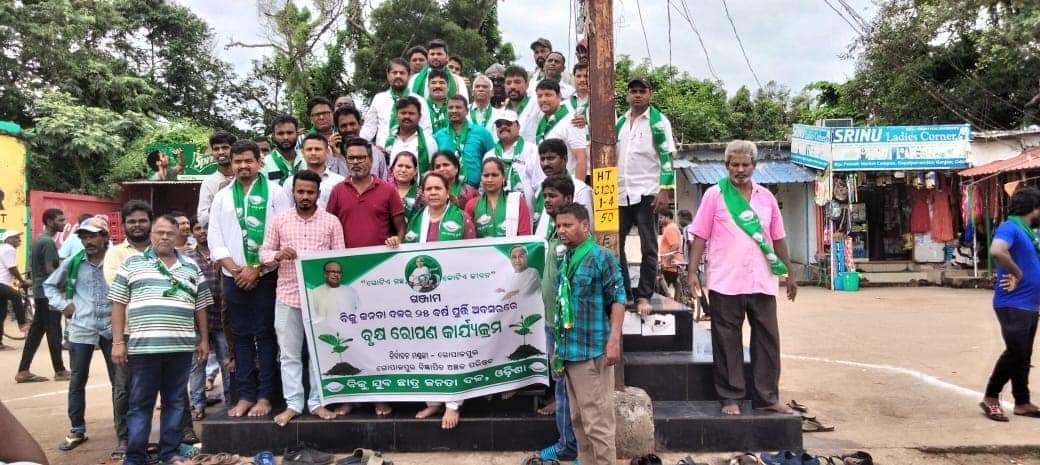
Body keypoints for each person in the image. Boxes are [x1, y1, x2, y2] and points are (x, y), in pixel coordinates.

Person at [687, 140, 797, 416]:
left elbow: (777, 237)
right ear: (726, 166)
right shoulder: (714, 195)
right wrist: (692, 271)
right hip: (726, 281)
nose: (740, 169)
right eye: (734, 164)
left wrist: (789, 272)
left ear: (754, 166)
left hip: (762, 280)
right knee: (727, 342)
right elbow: (700, 235)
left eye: (745, 164)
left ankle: (767, 397)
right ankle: (730, 397)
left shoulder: (766, 197)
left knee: (767, 341)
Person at [110, 215, 213, 465]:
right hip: (144, 348)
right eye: (159, 232)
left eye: (169, 233)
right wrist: (118, 342)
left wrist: (204, 340)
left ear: (177, 236)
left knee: (175, 402)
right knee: (140, 404)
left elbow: (200, 306)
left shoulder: (191, 266)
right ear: (151, 235)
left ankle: (169, 453)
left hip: (181, 347)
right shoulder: (132, 263)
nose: (164, 237)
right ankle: (135, 457)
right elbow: (118, 303)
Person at [209, 140, 292, 418]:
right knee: (240, 336)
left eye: (248, 161)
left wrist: (256, 267)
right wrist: (236, 270)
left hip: (266, 275)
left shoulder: (276, 193)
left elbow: (283, 234)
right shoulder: (222, 196)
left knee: (265, 335)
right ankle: (245, 395)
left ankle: (266, 396)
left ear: (259, 162)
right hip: (233, 277)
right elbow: (215, 238)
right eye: (238, 161)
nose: (243, 166)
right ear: (231, 164)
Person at [260, 170, 347, 426]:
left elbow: (340, 258)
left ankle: (317, 403)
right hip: (287, 296)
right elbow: (263, 253)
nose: (305, 196)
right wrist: (277, 255)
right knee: (289, 355)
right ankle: (294, 404)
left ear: (318, 194)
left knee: (320, 354)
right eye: (300, 191)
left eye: (310, 192)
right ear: (293, 192)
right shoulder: (280, 220)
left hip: (321, 298)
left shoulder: (331, 222)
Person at [552, 203, 625, 465]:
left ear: (585, 225)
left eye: (567, 225)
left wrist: (614, 341)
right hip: (570, 351)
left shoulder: (601, 256)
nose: (561, 230)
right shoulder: (566, 258)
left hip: (592, 351)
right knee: (579, 421)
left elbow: (618, 298)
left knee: (598, 423)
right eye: (558, 225)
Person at [406, 172, 476, 428]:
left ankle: (452, 404)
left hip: (453, 296)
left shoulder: (461, 218)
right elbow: (406, 255)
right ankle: (433, 400)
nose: (433, 192)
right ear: (423, 193)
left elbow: (474, 254)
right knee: (426, 346)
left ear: (448, 192)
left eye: (438, 188)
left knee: (452, 347)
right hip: (423, 298)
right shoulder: (417, 219)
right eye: (429, 189)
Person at [43, 216, 118, 452]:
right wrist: (63, 304)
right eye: (84, 237)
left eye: (93, 236)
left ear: (105, 237)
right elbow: (49, 285)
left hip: (113, 327)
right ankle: (77, 429)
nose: (88, 241)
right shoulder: (74, 261)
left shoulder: (117, 260)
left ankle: (123, 430)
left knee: (119, 382)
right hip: (82, 328)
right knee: (77, 381)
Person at [616, 77, 678, 315]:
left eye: (642, 91)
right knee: (615, 245)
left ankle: (644, 295)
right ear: (627, 95)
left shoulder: (659, 122)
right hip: (621, 193)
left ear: (650, 94)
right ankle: (624, 292)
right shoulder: (620, 122)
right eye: (633, 91)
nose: (637, 95)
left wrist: (665, 190)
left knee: (649, 247)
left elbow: (667, 159)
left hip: (647, 192)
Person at [981, 187, 1040, 421]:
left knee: (1024, 354)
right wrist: (1017, 273)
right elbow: (997, 250)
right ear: (1033, 208)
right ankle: (991, 397)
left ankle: (1022, 402)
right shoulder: (1010, 227)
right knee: (1016, 352)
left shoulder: (1028, 233)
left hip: (1029, 304)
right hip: (1013, 303)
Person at [531, 176, 578, 463]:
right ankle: (568, 444)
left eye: (553, 196)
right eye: (545, 196)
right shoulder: (551, 229)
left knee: (570, 388)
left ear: (568, 199)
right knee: (561, 385)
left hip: (568, 325)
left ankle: (571, 447)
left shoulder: (572, 236)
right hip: (552, 322)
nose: (547, 200)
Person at [100, 200, 151, 459]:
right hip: (129, 331)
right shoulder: (115, 254)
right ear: (124, 225)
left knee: (172, 387)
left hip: (160, 330)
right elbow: (119, 287)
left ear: (150, 222)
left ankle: (183, 432)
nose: (137, 225)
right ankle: (124, 437)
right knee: (123, 388)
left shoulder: (163, 250)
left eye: (142, 220)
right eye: (132, 221)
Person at [16, 208, 70, 383]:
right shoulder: (48, 242)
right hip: (49, 294)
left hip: (40, 292)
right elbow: (51, 270)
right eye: (60, 220)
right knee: (54, 330)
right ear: (49, 221)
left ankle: (23, 370)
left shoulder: (39, 239)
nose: (64, 223)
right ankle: (60, 371)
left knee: (36, 332)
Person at [186, 217, 231, 419]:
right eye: (198, 228)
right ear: (192, 233)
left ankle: (230, 401)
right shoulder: (187, 258)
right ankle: (198, 404)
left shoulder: (223, 253)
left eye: (206, 227)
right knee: (197, 365)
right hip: (196, 321)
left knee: (227, 363)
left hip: (222, 319)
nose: (202, 231)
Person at [326, 137, 407, 249]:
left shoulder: (388, 190)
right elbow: (329, 227)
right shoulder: (337, 191)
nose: (355, 162)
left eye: (360, 158)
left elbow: (401, 228)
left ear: (371, 160)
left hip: (382, 257)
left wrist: (397, 241)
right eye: (351, 158)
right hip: (346, 257)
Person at [360, 58, 433, 169]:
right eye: (394, 72)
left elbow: (426, 130)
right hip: (382, 158)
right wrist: (363, 146)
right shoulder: (379, 99)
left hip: (411, 159)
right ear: (388, 75)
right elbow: (369, 128)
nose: (398, 76)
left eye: (402, 73)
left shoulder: (419, 100)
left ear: (409, 75)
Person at [528, 139, 593, 237]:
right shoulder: (540, 189)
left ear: (564, 159)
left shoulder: (580, 189)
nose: (545, 164)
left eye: (550, 158)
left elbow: (587, 229)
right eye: (542, 159)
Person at [434, 95, 496, 188]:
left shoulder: (482, 133)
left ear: (467, 111)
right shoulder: (438, 136)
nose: (454, 110)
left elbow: (493, 158)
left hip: (475, 189)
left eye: (458, 107)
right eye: (450, 108)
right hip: (446, 189)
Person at [483, 110, 540, 207]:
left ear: (518, 126)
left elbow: (539, 185)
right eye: (499, 124)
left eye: (508, 123)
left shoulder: (532, 150)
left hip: (527, 210)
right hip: (497, 211)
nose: (503, 126)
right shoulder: (489, 155)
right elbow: (484, 187)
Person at [533, 80, 588, 178]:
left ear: (559, 96)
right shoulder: (541, 121)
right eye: (539, 96)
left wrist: (578, 186)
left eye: (548, 95)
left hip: (567, 183)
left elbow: (581, 159)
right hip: (548, 182)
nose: (543, 99)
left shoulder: (572, 121)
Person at [465, 158, 532, 237]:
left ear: (503, 177)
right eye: (486, 175)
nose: (490, 179)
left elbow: (525, 237)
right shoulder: (472, 205)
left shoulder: (517, 202)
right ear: (481, 177)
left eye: (494, 175)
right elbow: (467, 237)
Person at [283, 133, 345, 209]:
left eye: (318, 149)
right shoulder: (290, 182)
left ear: (327, 152)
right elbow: (286, 210)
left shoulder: (339, 182)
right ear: (302, 153)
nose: (313, 153)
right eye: (309, 149)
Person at [383, 96, 438, 179]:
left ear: (419, 116)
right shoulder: (388, 140)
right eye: (403, 113)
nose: (407, 116)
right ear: (397, 115)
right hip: (391, 186)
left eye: (411, 113)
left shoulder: (429, 142)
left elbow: (432, 171)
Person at [196, 131, 238, 226]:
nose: (220, 152)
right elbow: (202, 220)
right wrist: (219, 199)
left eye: (225, 147)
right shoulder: (208, 182)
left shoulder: (245, 177)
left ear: (234, 150)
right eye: (216, 149)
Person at [0, 230, 28, 349]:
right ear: (8, 239)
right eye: (16, 237)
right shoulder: (9, 249)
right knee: (16, 296)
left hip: (2, 284)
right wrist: (22, 281)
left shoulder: (3, 248)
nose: (19, 240)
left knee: (1, 314)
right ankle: (22, 324)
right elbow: (12, 268)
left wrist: (17, 280)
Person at [332, 105, 374, 177]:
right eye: (343, 126)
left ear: (360, 124)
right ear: (337, 128)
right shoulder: (331, 153)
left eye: (352, 124)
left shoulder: (375, 153)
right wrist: (336, 156)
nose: (349, 129)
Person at [263, 114, 305, 186]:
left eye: (290, 133)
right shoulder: (264, 164)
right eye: (280, 133)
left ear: (297, 134)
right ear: (273, 136)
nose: (285, 137)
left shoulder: (307, 159)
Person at [503, 65, 541, 142]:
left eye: (517, 82)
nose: (512, 86)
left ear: (527, 85)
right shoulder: (501, 111)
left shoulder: (537, 107)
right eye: (508, 83)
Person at [658, 209, 684, 294]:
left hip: (670, 266)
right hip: (673, 265)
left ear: (668, 217)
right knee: (677, 289)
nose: (659, 220)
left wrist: (665, 261)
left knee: (662, 292)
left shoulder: (670, 229)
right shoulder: (670, 227)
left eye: (661, 217)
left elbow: (675, 246)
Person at [389, 151, 421, 218]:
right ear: (393, 168)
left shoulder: (421, 195)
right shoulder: (383, 190)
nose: (403, 170)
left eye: (408, 167)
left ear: (415, 171)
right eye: (400, 166)